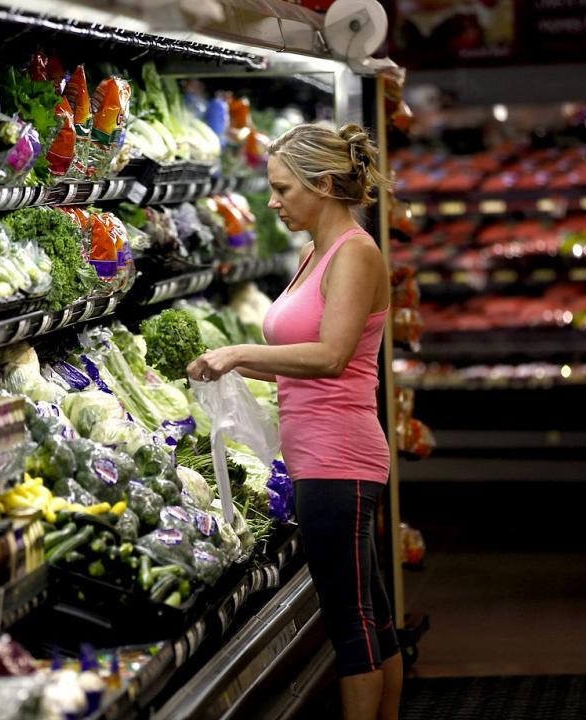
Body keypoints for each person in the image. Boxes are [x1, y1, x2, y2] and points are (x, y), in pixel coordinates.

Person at [187, 122, 402, 720]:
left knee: (350, 623)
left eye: (284, 189)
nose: (274, 201)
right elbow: (304, 361)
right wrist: (228, 372)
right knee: (372, 615)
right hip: (317, 457)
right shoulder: (316, 253)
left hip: (341, 459)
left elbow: (332, 357)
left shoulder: (355, 254)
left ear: (325, 183)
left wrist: (238, 353)